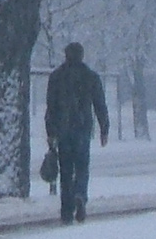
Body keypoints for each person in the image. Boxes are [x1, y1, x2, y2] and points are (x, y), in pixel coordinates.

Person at [45, 42, 110, 224]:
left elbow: (51, 107)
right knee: (82, 167)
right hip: (82, 128)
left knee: (65, 171)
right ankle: (80, 194)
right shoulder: (91, 77)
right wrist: (104, 128)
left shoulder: (57, 77)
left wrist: (50, 132)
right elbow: (100, 105)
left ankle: (66, 210)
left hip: (62, 130)